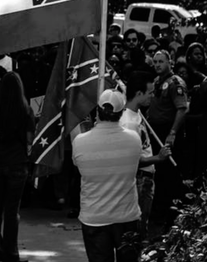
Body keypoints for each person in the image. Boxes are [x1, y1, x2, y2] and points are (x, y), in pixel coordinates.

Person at [73, 89, 142, 262]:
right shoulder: (134, 139)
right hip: (126, 217)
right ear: (121, 112)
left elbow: (77, 164)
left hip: (94, 217)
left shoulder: (80, 142)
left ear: (97, 110)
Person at [0, 72, 35, 262]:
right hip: (17, 164)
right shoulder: (25, 110)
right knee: (12, 211)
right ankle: (11, 254)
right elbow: (29, 138)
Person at [119, 73, 171, 239]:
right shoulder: (128, 122)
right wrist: (158, 158)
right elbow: (132, 160)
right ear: (139, 94)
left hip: (147, 178)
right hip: (140, 180)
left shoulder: (138, 115)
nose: (152, 96)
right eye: (149, 92)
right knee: (138, 230)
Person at [147, 51, 188, 225]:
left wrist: (172, 133)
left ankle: (170, 213)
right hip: (154, 130)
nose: (157, 65)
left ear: (169, 63)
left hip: (168, 130)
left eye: (161, 61)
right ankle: (158, 210)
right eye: (155, 62)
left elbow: (182, 109)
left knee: (168, 173)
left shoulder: (175, 83)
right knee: (158, 171)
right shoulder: (157, 82)